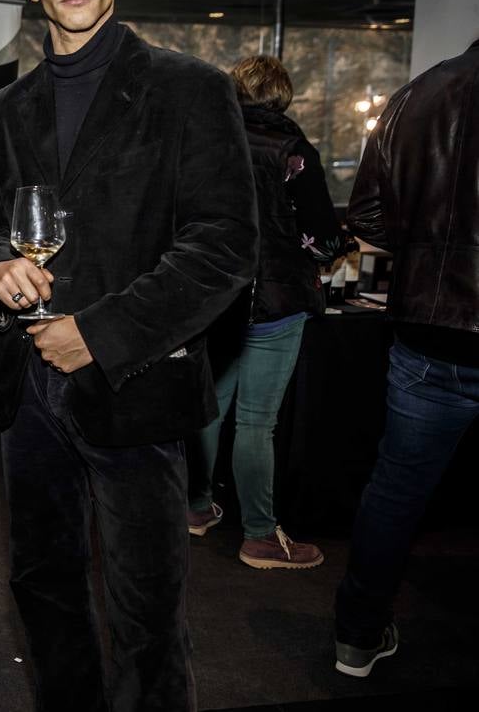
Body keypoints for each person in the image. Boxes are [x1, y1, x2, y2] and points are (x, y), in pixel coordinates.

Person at [0, 0, 257, 711]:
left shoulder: (191, 89)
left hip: (136, 388)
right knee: (46, 593)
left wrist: (97, 333)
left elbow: (224, 248)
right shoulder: (3, 110)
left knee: (146, 616)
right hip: (27, 396)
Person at [333, 37, 479, 678]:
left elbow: (366, 214)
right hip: (430, 329)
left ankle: (357, 637)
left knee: (395, 492)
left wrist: (423, 249)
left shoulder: (417, 94)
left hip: (426, 328)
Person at [187, 55, 344, 568]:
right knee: (257, 422)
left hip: (219, 297)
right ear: (283, 96)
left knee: (210, 407)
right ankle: (258, 536)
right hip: (278, 300)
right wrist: (334, 250)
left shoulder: (211, 143)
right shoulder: (295, 152)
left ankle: (195, 507)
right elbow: (320, 239)